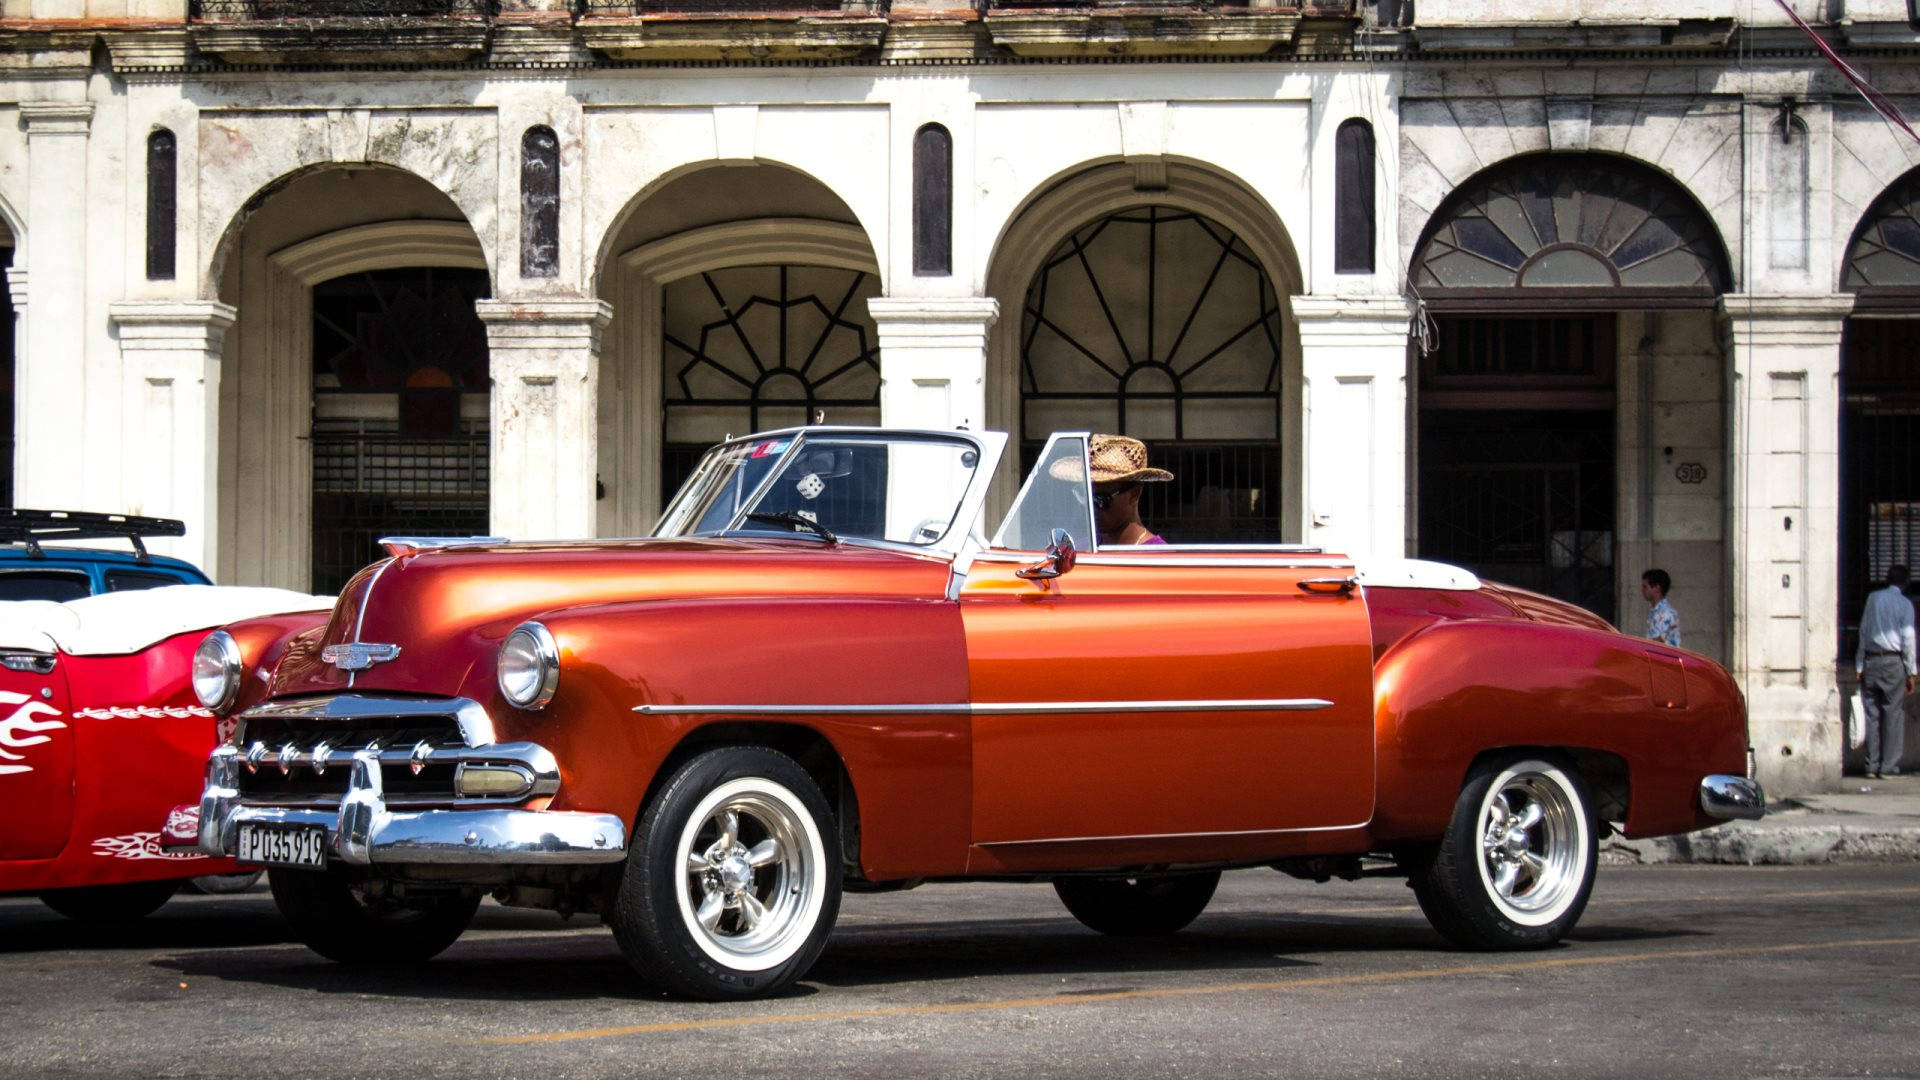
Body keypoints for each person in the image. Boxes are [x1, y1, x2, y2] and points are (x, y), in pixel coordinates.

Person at [1856, 564, 1918, 779]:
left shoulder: (1873, 599)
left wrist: (1859, 664)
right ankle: (1888, 766)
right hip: (1893, 662)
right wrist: (1912, 671)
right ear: (1906, 583)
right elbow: (1908, 639)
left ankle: (1871, 765)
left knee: (1872, 714)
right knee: (1893, 714)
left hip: (1872, 660)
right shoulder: (1905, 604)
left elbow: (1864, 630)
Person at [1087, 434, 1172, 546]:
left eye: (1101, 500)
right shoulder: (1082, 549)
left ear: (1134, 494)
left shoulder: (1158, 558)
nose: (1092, 508)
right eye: (1086, 497)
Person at [1641, 568, 1681, 648]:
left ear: (1657, 588)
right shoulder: (1657, 611)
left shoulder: (1664, 613)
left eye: (1645, 587)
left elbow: (1656, 642)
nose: (1642, 590)